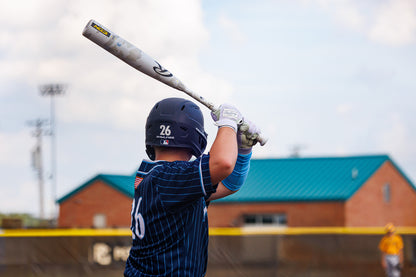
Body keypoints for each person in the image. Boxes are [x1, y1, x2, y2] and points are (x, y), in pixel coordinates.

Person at [124, 97, 261, 276]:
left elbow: (229, 183)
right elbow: (223, 164)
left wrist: (243, 149)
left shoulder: (161, 176)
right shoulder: (168, 177)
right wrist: (228, 123)